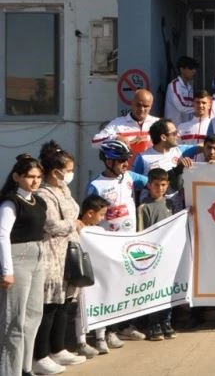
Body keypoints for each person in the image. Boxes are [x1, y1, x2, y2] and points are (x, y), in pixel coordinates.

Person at [85, 141, 148, 344]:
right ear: (108, 161)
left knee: (127, 285)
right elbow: (88, 215)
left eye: (127, 159)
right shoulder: (96, 185)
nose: (126, 163)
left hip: (129, 241)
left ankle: (126, 326)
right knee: (110, 287)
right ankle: (109, 330)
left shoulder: (130, 177)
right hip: (106, 244)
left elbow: (153, 181)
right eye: (121, 160)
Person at [33, 142, 88, 372]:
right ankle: (39, 355)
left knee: (65, 302)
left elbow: (74, 210)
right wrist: (73, 224)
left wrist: (74, 223)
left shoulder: (63, 189)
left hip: (68, 251)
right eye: (68, 170)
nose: (71, 174)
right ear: (56, 172)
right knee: (50, 305)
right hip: (52, 253)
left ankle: (58, 349)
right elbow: (52, 224)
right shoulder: (43, 193)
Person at [0, 155, 47, 376]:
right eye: (30, 176)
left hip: (38, 257)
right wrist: (7, 270)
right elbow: (2, 235)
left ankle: (26, 367)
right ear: (17, 177)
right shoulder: (11, 202)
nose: (35, 181)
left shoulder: (39, 201)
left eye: (38, 177)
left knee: (34, 315)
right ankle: (10, 371)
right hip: (18, 258)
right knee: (14, 320)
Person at [137, 168, 178, 341]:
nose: (160, 188)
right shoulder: (143, 207)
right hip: (152, 257)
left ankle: (166, 322)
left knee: (167, 290)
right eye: (156, 185)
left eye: (163, 185)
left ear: (167, 185)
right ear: (149, 185)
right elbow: (141, 234)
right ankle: (153, 324)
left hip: (169, 255)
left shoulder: (171, 204)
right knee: (153, 291)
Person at [132, 118, 200, 209]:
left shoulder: (180, 151)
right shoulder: (142, 157)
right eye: (174, 133)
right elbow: (134, 187)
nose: (178, 135)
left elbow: (206, 146)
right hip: (152, 210)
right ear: (163, 137)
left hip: (175, 210)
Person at [73, 196, 110, 356]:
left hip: (99, 275)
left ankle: (100, 337)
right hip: (82, 275)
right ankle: (81, 342)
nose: (103, 218)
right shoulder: (76, 229)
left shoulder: (100, 231)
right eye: (101, 215)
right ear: (89, 213)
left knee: (102, 304)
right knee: (82, 308)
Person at [91, 89, 159, 156]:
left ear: (151, 106)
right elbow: (95, 142)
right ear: (132, 104)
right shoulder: (117, 123)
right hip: (128, 163)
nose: (141, 109)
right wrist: (116, 138)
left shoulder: (157, 123)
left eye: (146, 106)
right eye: (138, 105)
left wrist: (150, 140)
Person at [164, 56, 198, 125]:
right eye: (191, 68)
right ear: (182, 69)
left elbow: (190, 108)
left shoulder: (189, 87)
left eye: (195, 69)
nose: (194, 71)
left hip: (186, 127)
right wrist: (198, 108)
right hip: (174, 127)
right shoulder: (174, 85)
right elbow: (181, 107)